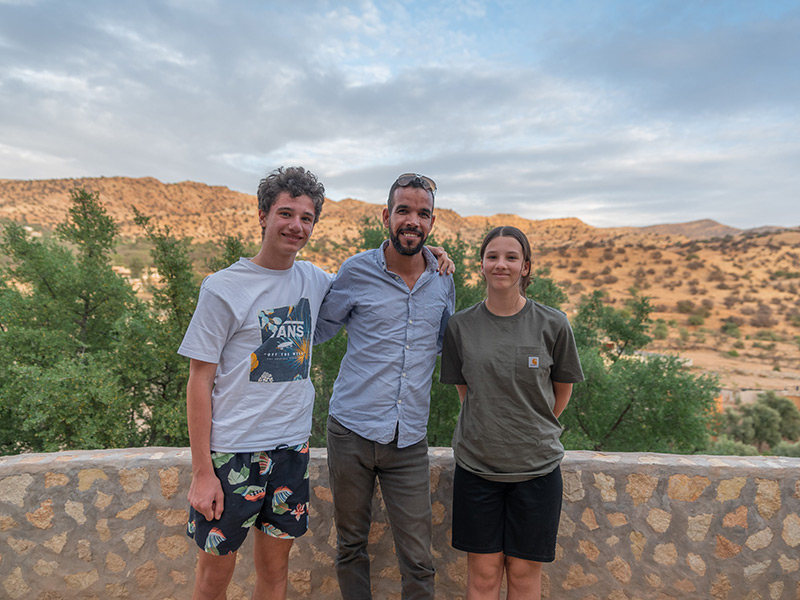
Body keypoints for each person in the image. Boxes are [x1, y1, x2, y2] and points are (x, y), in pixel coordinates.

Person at [178, 166, 332, 600]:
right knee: (213, 579)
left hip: (291, 450)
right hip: (233, 453)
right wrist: (202, 473)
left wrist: (428, 253)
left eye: (306, 218)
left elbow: (373, 277)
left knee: (275, 574)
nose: (296, 225)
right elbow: (199, 380)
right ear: (263, 215)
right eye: (286, 213)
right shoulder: (223, 288)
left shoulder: (315, 280)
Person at [315, 173, 456, 600]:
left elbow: (444, 347)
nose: (413, 220)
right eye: (403, 210)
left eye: (423, 213)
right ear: (386, 216)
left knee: (419, 560)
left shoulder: (443, 279)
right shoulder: (356, 271)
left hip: (408, 440)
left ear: (432, 223)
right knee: (350, 545)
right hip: (350, 432)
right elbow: (320, 328)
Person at [440, 226, 584, 600]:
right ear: (481, 265)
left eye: (511, 257)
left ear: (526, 267)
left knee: (523, 576)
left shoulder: (553, 324)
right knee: (483, 577)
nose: (500, 264)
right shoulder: (460, 326)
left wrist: (531, 426)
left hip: (537, 470)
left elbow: (562, 391)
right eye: (492, 256)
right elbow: (466, 390)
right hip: (477, 468)